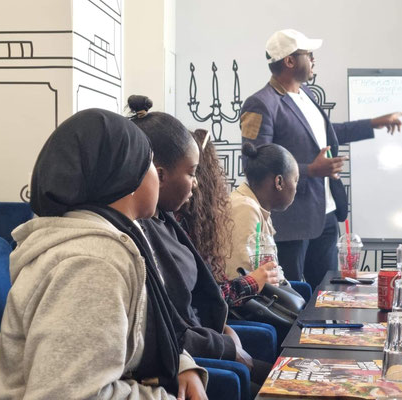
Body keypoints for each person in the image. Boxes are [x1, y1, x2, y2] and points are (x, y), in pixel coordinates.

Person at [0, 109, 207, 400]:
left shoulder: (102, 242)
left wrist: (180, 362)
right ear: (127, 175)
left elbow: (133, 333)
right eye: (150, 163)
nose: (157, 174)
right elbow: (66, 395)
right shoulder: (91, 264)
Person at [128, 96, 272, 397]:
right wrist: (225, 345)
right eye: (192, 173)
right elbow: (162, 328)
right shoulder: (136, 238)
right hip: (194, 353)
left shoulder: (165, 220)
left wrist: (223, 329)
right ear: (160, 173)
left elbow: (196, 304)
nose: (197, 185)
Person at [240, 28, 402, 289]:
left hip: (325, 214)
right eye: (309, 54)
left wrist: (374, 123)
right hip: (292, 221)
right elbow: (254, 163)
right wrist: (310, 170)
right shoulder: (260, 104)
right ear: (290, 61)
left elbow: (327, 134)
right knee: (293, 298)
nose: (314, 60)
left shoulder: (307, 95)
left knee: (330, 293)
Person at [175, 129, 279, 308]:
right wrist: (254, 281)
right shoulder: (181, 225)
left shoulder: (194, 223)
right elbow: (211, 297)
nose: (195, 183)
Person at [225, 142, 299, 281]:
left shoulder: (258, 207)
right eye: (295, 180)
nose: (296, 188)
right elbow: (240, 276)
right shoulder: (245, 209)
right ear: (279, 182)